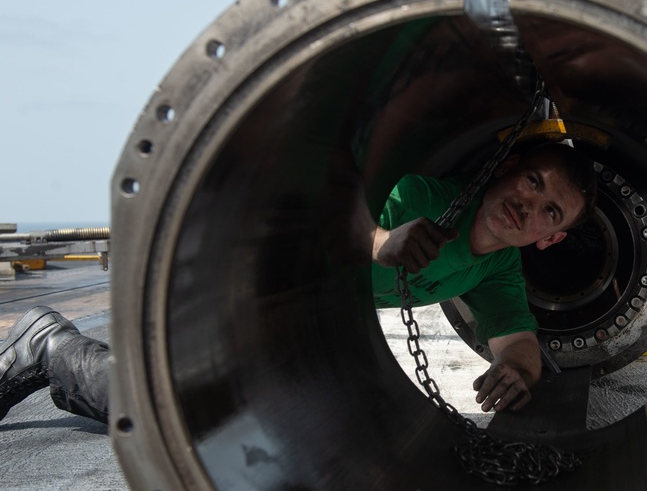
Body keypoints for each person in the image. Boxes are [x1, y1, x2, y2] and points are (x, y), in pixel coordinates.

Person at [0, 142, 597, 427]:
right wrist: (380, 243)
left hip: (294, 322)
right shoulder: (421, 195)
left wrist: (519, 371)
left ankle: (66, 362)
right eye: (532, 181)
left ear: (551, 239)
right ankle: (48, 345)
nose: (529, 204)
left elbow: (517, 340)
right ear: (505, 171)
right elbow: (326, 214)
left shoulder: (497, 268)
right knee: (172, 413)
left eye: (551, 211)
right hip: (246, 286)